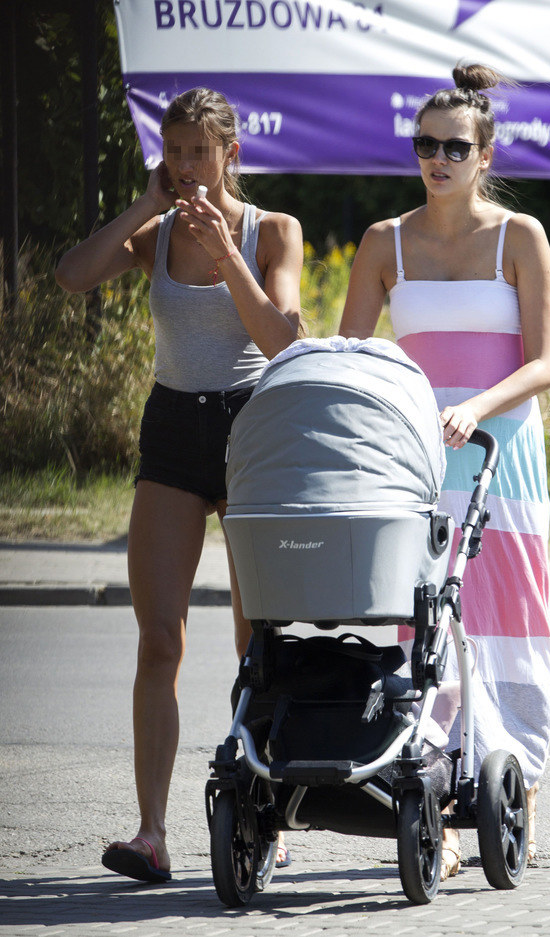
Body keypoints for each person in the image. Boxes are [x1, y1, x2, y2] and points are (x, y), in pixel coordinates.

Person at [55, 87, 303, 881]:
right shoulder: (156, 230)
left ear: (230, 152)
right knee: (159, 637)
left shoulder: (273, 231)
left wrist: (229, 255)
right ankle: (152, 832)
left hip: (248, 430)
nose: (186, 164)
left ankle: (264, 810)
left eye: (200, 150)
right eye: (174, 149)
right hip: (170, 430)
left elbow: (282, 339)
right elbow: (71, 276)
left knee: (253, 639)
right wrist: (142, 205)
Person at [339, 63, 550, 879]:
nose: (437, 158)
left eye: (453, 146)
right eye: (425, 144)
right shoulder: (382, 242)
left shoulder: (518, 236)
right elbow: (352, 357)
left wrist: (473, 407)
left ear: (483, 149)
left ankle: (516, 786)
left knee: (505, 621)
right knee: (422, 627)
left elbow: (543, 365)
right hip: (415, 458)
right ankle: (435, 796)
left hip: (500, 454)